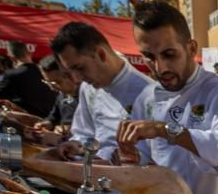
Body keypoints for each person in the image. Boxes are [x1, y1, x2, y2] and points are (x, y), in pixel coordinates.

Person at [115, 0, 218, 194]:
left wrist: (166, 130)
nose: (160, 67)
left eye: (169, 54)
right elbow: (146, 166)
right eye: (148, 57)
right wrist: (128, 155)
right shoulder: (146, 99)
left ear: (191, 48)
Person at [50, 21, 153, 160]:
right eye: (70, 72)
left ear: (101, 54)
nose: (76, 79)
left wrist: (132, 158)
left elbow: (160, 157)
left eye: (79, 68)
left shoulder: (149, 93)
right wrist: (75, 144)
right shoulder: (88, 87)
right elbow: (85, 132)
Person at [0, 41, 57, 118]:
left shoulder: (13, 75)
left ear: (11, 58)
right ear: (29, 53)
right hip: (53, 119)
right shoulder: (44, 71)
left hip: (31, 122)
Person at [38, 54, 80, 135]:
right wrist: (48, 123)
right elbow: (54, 115)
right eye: (48, 82)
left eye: (57, 82)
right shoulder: (61, 94)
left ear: (70, 75)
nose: (52, 87)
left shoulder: (87, 96)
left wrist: (72, 129)